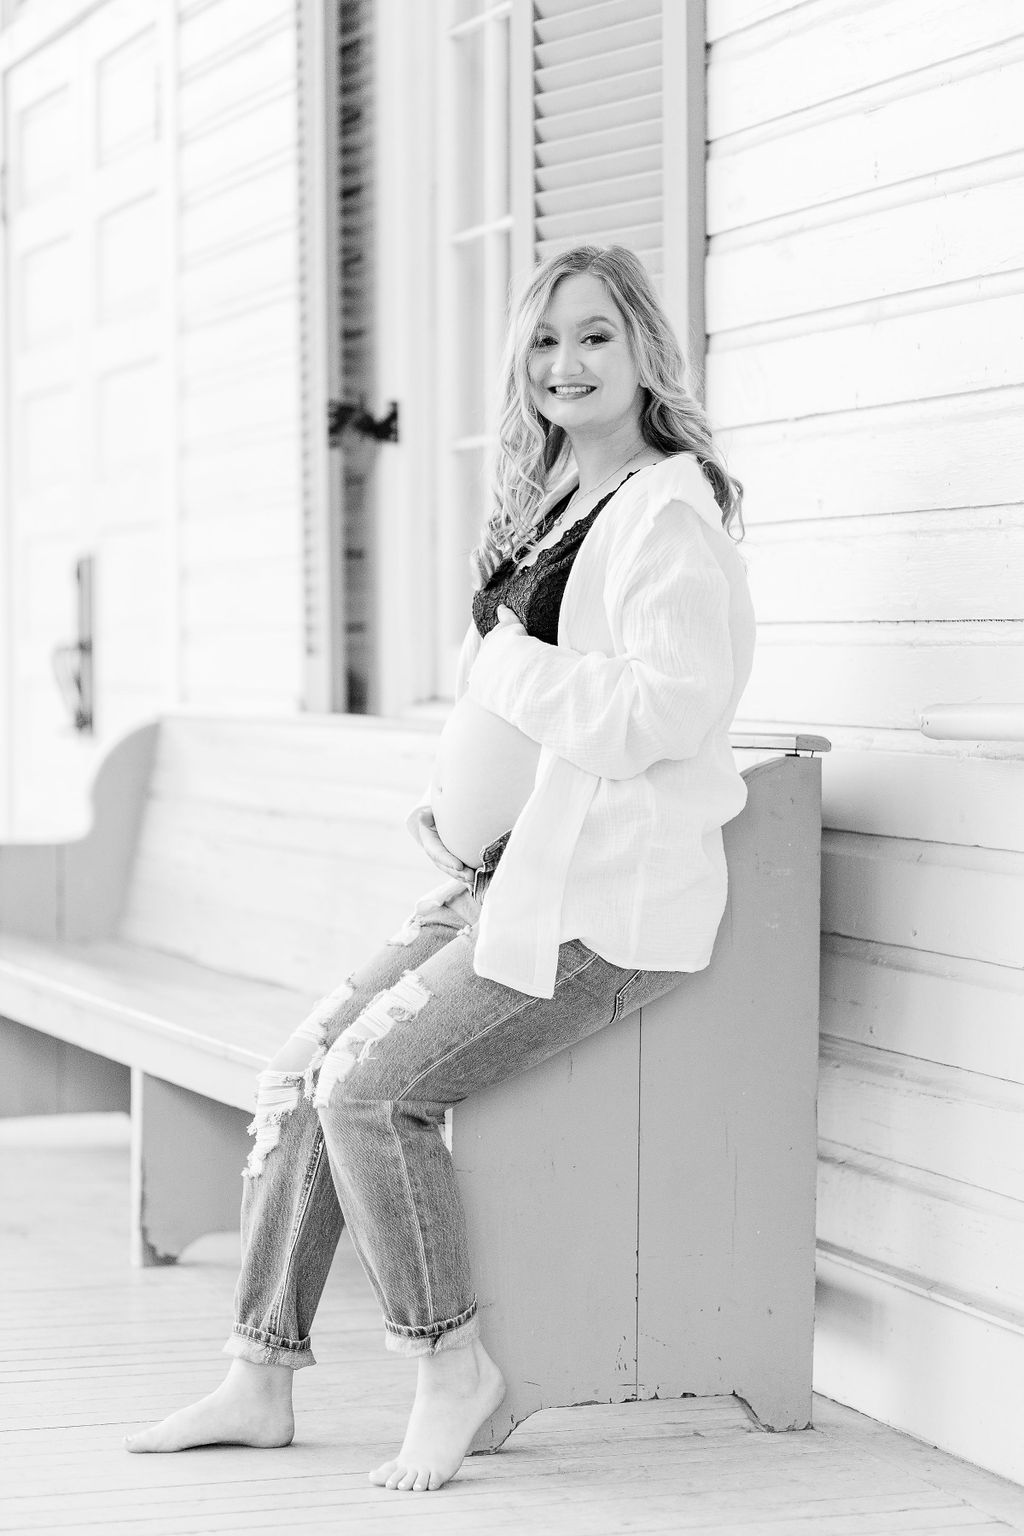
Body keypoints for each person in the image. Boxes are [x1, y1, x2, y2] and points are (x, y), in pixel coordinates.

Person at [124, 243, 756, 1493]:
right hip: (499, 883)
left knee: (368, 1089)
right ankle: (260, 1374)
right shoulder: (550, 505)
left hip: (598, 910)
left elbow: (659, 716)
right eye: (543, 342)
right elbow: (528, 717)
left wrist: (499, 670)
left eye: (593, 337)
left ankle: (450, 1363)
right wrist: (452, 811)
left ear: (642, 355)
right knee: (302, 1066)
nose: (564, 364)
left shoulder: (670, 515)